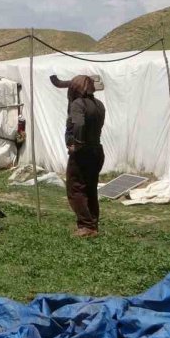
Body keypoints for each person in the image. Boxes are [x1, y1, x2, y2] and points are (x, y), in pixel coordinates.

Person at [52, 74, 106, 237]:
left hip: (83, 152)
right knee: (90, 189)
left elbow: (79, 123)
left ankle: (86, 226)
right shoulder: (99, 104)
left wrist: (78, 143)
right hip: (97, 150)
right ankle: (93, 224)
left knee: (76, 189)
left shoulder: (78, 104)